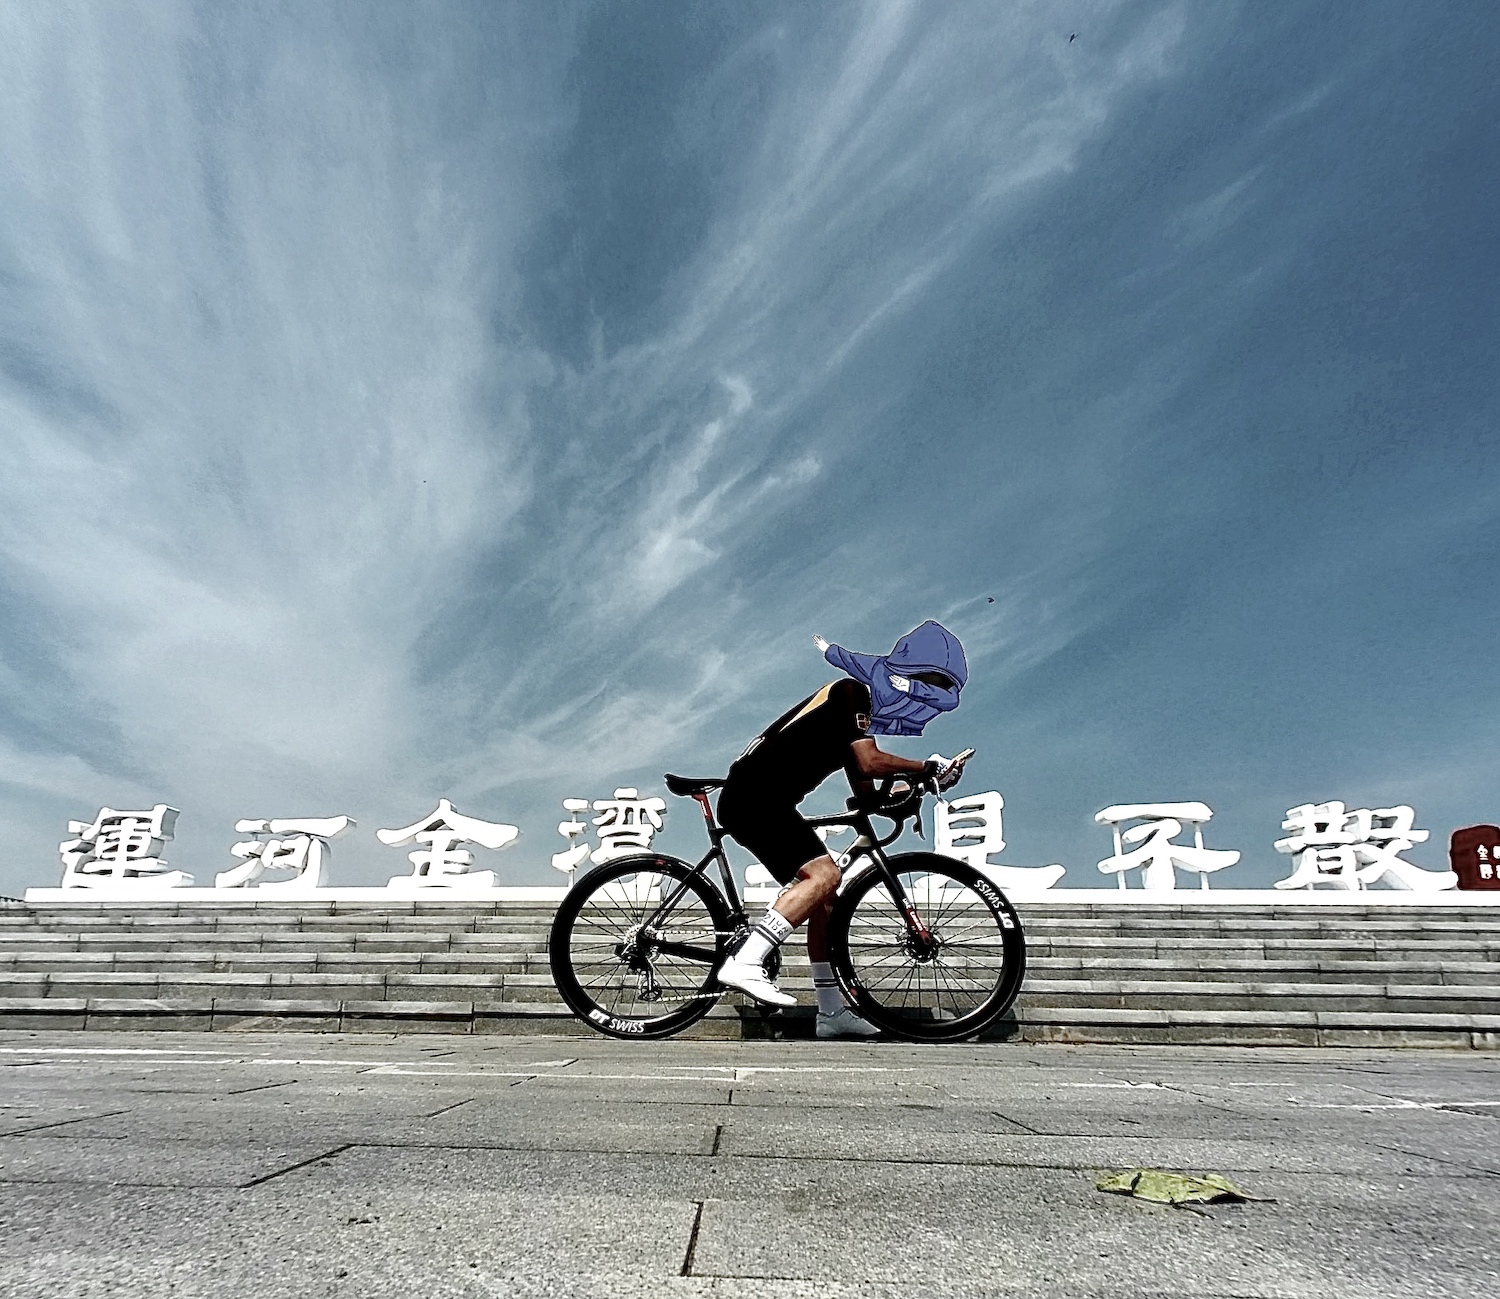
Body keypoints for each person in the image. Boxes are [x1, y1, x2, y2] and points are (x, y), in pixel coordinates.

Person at [715, 621, 971, 1037]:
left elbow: (867, 796)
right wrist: (926, 766)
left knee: (826, 900)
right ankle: (747, 960)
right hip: (754, 795)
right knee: (825, 874)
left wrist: (918, 787)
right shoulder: (850, 692)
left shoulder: (858, 726)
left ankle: (831, 1013)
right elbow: (871, 762)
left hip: (765, 799)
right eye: (922, 688)